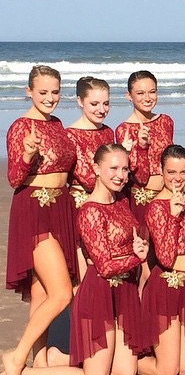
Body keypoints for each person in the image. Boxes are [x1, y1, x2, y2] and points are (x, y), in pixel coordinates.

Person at [1, 144, 149, 375]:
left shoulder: (123, 201)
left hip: (124, 295)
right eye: (113, 168)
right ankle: (25, 372)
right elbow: (104, 266)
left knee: (124, 373)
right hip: (99, 296)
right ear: (96, 168)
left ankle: (59, 358)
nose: (120, 175)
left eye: (124, 168)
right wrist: (138, 258)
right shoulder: (89, 211)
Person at [3, 65, 77, 375]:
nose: (50, 98)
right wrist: (28, 153)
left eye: (55, 92)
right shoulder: (21, 126)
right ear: (29, 91)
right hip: (35, 207)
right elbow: (15, 178)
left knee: (42, 291)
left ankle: (41, 359)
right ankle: (17, 356)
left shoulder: (59, 125)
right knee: (62, 293)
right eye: (43, 92)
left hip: (61, 207)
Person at [139, 145, 185, 375]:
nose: (177, 178)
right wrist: (174, 217)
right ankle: (120, 361)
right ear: (161, 171)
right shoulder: (156, 207)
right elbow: (166, 258)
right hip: (167, 286)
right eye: (171, 172)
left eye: (183, 172)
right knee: (168, 371)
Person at [67, 76, 115, 279]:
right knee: (85, 268)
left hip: (108, 203)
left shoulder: (108, 132)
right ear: (80, 101)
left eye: (105, 104)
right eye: (94, 104)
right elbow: (86, 177)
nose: (101, 109)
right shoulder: (70, 134)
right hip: (81, 204)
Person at [115, 70, 173, 229]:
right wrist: (141, 146)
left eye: (152, 92)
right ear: (129, 95)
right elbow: (140, 177)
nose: (147, 98)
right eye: (140, 93)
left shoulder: (166, 121)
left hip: (169, 195)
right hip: (143, 198)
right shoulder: (123, 129)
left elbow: (173, 161)